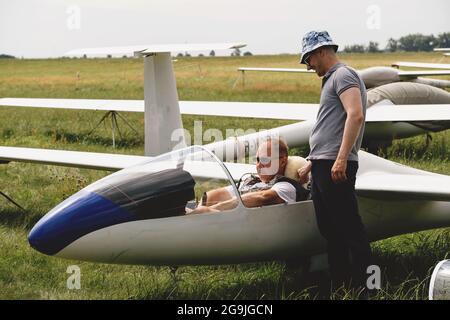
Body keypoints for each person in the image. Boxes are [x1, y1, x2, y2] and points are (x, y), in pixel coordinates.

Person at [297, 31, 372, 294]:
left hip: (335, 164)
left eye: (308, 58)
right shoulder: (331, 79)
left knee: (349, 226)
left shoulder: (343, 75)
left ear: (321, 51)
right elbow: (330, 126)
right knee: (330, 228)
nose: (308, 65)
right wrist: (311, 161)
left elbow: (356, 116)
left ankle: (368, 287)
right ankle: (341, 284)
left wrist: (340, 159)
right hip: (323, 163)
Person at [190, 138, 309, 214]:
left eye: (264, 159)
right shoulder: (251, 181)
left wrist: (214, 209)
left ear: (282, 161)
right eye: (257, 160)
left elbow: (263, 197)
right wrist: (202, 208)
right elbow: (215, 195)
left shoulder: (286, 186)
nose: (259, 165)